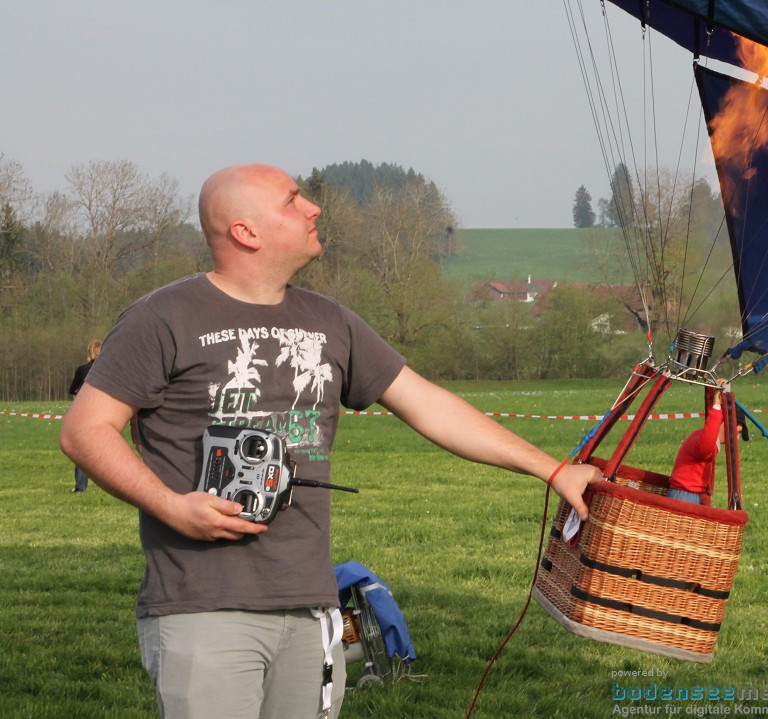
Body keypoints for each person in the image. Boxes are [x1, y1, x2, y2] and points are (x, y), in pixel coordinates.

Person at [58, 163, 600, 719]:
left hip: (312, 608)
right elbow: (84, 430)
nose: (314, 208)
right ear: (246, 232)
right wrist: (172, 507)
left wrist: (553, 470)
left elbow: (431, 406)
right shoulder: (162, 318)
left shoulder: (329, 320)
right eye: (293, 201)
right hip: (204, 609)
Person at [666, 392, 746, 505]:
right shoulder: (705, 440)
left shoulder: (702, 436)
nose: (737, 438)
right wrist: (717, 408)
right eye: (737, 432)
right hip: (685, 496)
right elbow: (705, 448)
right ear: (724, 423)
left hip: (689, 494)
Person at [67, 339, 101, 492]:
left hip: (86, 414)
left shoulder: (82, 370)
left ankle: (81, 487)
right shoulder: (109, 370)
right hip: (106, 414)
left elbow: (72, 390)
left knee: (82, 452)